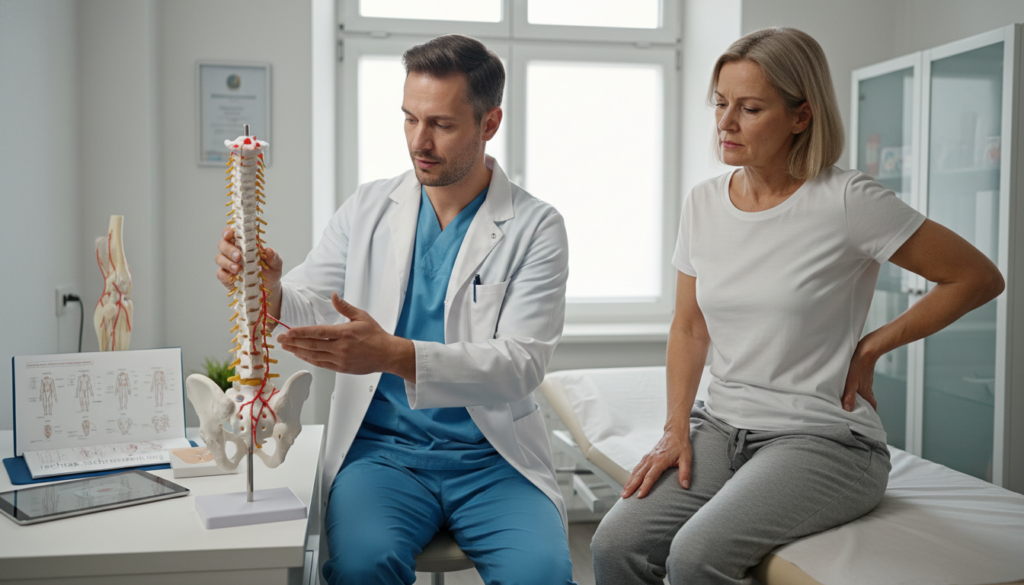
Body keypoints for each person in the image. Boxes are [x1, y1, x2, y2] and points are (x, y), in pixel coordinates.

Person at [590, 27, 1005, 585]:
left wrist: (874, 344)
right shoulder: (704, 203)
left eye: (750, 108)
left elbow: (977, 277)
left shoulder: (847, 200)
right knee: (616, 545)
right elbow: (689, 327)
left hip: (824, 441)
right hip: (721, 427)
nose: (726, 122)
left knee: (695, 557)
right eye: (720, 104)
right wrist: (675, 428)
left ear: (801, 116)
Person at [214, 35, 574, 585]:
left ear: (490, 123)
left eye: (442, 124)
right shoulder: (369, 207)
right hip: (383, 457)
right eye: (409, 119)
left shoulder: (536, 227)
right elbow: (310, 302)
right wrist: (270, 290)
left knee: (541, 577)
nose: (419, 142)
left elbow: (520, 363)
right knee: (361, 568)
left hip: (494, 461)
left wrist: (396, 355)